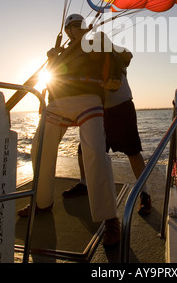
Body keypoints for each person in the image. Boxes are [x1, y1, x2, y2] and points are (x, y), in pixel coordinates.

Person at [18, 14, 121, 247]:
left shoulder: (96, 43)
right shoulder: (60, 52)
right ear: (66, 31)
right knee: (39, 148)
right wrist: (53, 59)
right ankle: (42, 201)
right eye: (72, 27)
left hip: (88, 99)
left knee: (94, 150)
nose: (76, 29)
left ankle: (110, 218)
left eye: (79, 25)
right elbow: (51, 78)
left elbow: (111, 58)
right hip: (58, 102)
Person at [62, 45, 152, 216]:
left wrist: (109, 46)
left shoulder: (116, 57)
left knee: (132, 151)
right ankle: (84, 184)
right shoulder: (88, 60)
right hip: (98, 109)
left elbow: (129, 55)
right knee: (84, 149)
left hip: (122, 107)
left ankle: (144, 192)